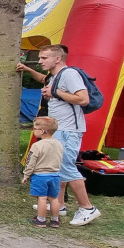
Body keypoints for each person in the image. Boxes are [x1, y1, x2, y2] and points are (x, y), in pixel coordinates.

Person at [37, 44, 101, 226]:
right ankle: (60, 204)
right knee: (58, 167)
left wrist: (55, 92)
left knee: (66, 167)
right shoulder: (55, 76)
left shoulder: (69, 74)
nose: (40, 61)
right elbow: (62, 97)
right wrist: (52, 94)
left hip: (69, 130)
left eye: (44, 58)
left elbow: (83, 98)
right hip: (60, 128)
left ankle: (87, 208)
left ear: (58, 59)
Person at [21, 116, 64, 228]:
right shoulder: (59, 144)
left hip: (40, 176)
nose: (33, 130)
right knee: (54, 198)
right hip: (55, 175)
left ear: (43, 131)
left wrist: (26, 174)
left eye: (35, 128)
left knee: (42, 198)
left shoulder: (37, 145)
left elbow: (30, 161)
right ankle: (55, 220)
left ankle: (41, 219)